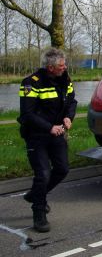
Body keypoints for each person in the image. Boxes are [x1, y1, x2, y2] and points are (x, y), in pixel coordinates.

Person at [18, 48, 77, 232]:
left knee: (62, 169)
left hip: (57, 133)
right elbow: (27, 114)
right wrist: (49, 127)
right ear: (50, 68)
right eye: (61, 65)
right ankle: (39, 212)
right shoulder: (31, 83)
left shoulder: (65, 79)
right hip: (37, 136)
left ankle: (36, 194)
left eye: (64, 64)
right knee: (43, 174)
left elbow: (72, 101)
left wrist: (69, 117)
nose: (64, 67)